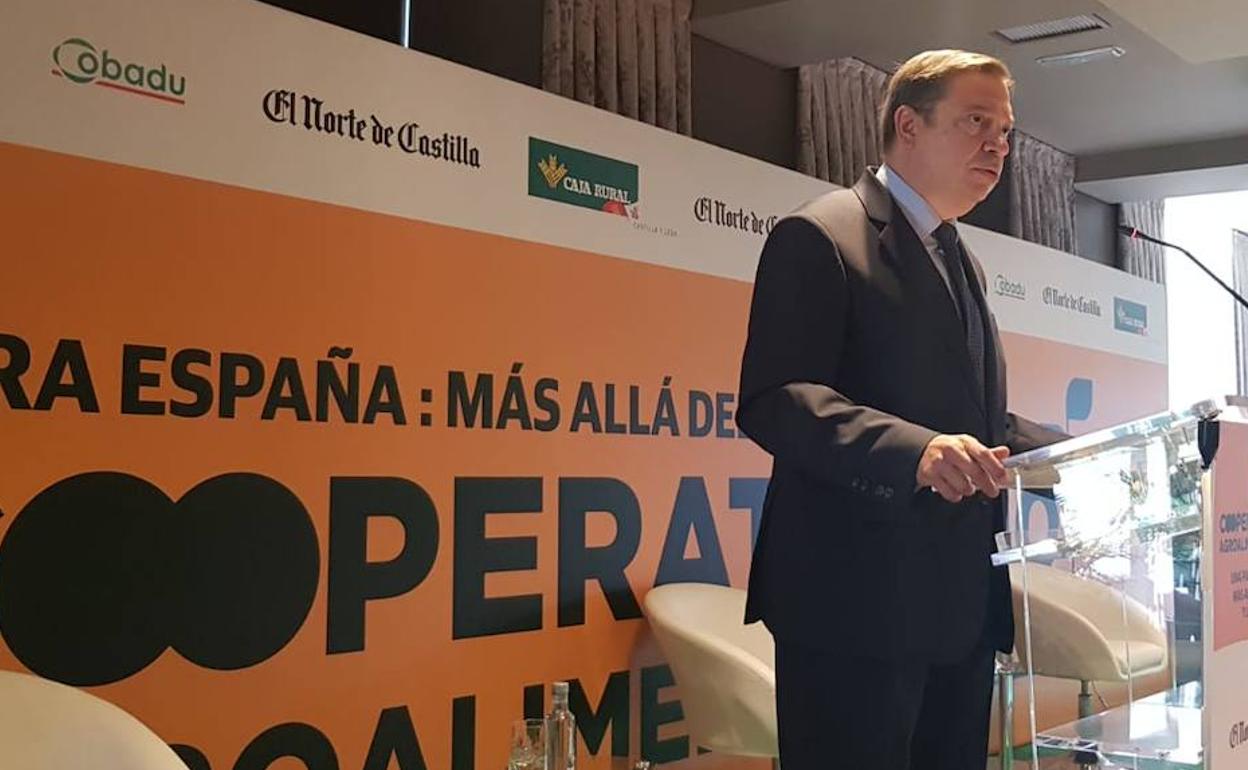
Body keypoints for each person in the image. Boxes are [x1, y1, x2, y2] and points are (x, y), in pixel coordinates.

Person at [735, 50, 1065, 770]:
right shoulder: (821, 236)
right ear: (908, 125)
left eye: (1005, 132)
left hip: (959, 608)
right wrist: (915, 452)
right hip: (854, 606)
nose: (998, 147)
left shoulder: (962, 258)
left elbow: (972, 418)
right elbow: (777, 399)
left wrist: (1069, 455)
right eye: (977, 122)